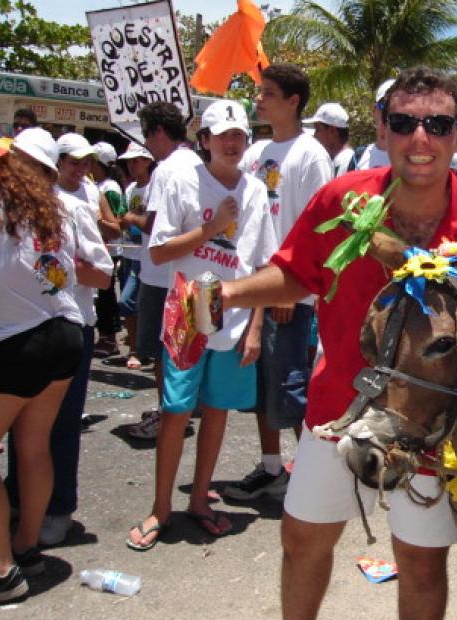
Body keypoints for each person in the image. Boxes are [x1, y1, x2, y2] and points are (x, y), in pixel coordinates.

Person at [218, 66, 457, 620]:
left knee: (419, 562)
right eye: (405, 122)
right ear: (382, 129)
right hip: (340, 407)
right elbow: (300, 273)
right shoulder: (342, 203)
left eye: (438, 124)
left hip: (431, 428)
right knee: (303, 540)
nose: (421, 138)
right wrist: (225, 294)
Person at [125, 99, 278, 550]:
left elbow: (260, 265)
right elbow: (158, 251)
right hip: (186, 314)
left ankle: (198, 501)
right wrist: (214, 229)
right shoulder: (181, 180)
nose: (232, 143)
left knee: (218, 410)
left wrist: (254, 327)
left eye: (240, 135)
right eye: (222, 135)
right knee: (175, 411)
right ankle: (160, 508)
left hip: (233, 317)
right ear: (204, 141)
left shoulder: (254, 190)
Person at [0, 141, 84, 607]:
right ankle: (26, 547)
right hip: (65, 334)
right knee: (34, 447)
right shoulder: (54, 208)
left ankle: (0, 570)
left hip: (19, 342)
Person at [224, 64, 333, 502]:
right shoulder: (256, 152)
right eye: (259, 92)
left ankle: (314, 474)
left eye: (268, 93)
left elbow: (320, 224)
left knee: (291, 388)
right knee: (262, 387)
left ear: (293, 101)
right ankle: (273, 469)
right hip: (255, 284)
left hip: (291, 289)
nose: (259, 100)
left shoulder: (311, 154)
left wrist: (296, 288)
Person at [4, 128, 114, 547]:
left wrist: (57, 262)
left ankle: (57, 509)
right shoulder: (4, 212)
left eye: (31, 166)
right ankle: (18, 502)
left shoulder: (71, 210)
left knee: (59, 428)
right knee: (19, 426)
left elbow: (103, 276)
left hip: (69, 329)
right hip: (18, 331)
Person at [126, 102, 203, 440]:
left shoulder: (167, 168)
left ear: (158, 131)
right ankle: (177, 411)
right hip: (191, 274)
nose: (146, 143)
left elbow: (155, 224)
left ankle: (168, 414)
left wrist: (129, 218)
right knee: (186, 350)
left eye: (146, 135)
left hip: (160, 276)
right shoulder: (200, 162)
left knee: (162, 352)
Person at [117, 142, 156, 371]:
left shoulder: (153, 187)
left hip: (147, 256)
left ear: (147, 162)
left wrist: (132, 220)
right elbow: (124, 217)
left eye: (137, 160)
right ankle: (135, 348)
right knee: (128, 302)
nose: (132, 165)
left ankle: (145, 349)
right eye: (129, 161)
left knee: (136, 302)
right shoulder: (131, 190)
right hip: (131, 252)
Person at [90, 141, 127, 358]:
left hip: (109, 249)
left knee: (106, 296)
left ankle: (109, 337)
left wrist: (100, 223)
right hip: (98, 248)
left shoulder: (109, 188)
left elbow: (116, 221)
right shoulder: (98, 185)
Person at [347, 78, 394, 172]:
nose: (388, 113)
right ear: (374, 111)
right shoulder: (359, 157)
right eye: (384, 105)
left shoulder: (413, 160)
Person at [304, 102, 353, 178]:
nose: (315, 135)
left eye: (318, 130)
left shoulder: (346, 164)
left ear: (332, 131)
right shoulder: (338, 162)